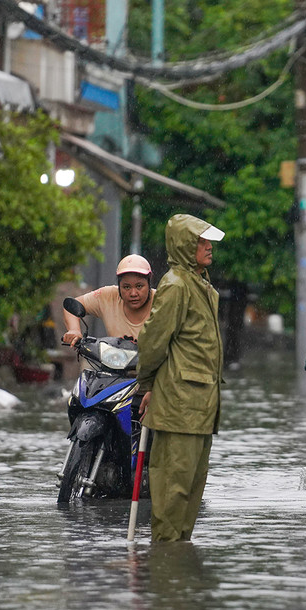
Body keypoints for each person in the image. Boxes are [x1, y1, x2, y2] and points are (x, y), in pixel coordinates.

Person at [135, 215, 225, 542]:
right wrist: (146, 386)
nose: (208, 247)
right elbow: (153, 341)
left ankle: (177, 566)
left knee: (191, 490)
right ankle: (165, 568)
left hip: (202, 405)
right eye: (201, 241)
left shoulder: (200, 284)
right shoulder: (176, 285)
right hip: (180, 405)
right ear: (186, 244)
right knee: (173, 490)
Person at [63, 254, 155, 345]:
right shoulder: (108, 296)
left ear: (149, 284)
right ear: (119, 286)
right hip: (115, 359)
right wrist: (74, 330)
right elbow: (72, 307)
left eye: (139, 286)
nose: (133, 293)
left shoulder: (162, 300)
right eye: (126, 287)